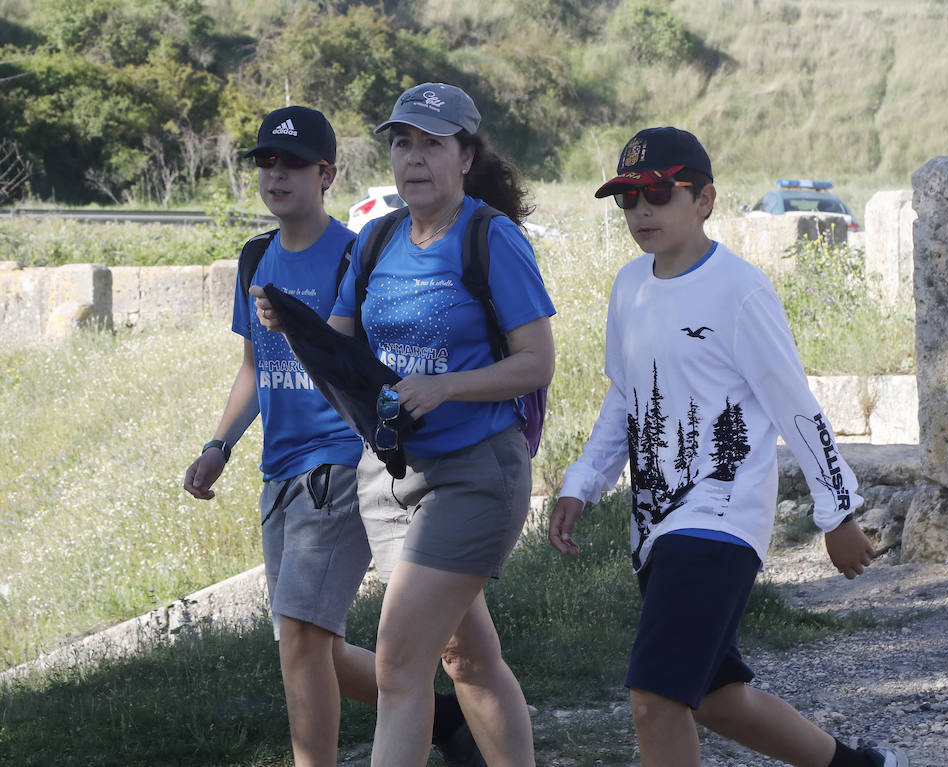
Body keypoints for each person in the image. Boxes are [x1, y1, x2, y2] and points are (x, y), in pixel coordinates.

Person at [547, 126, 907, 767]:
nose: (642, 211)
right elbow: (624, 396)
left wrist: (837, 513)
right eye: (628, 199)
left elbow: (793, 405)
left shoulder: (740, 291)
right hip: (657, 523)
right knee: (714, 696)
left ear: (705, 199)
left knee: (656, 698)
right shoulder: (629, 287)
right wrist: (581, 480)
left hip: (719, 520)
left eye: (660, 192)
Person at [255, 83, 554, 766]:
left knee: (398, 662)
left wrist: (447, 385)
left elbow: (537, 363)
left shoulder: (490, 237)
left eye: (431, 144)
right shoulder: (379, 239)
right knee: (466, 659)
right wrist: (291, 323)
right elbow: (341, 347)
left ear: (465, 156)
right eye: (401, 142)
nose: (413, 159)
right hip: (388, 480)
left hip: (475, 473)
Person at [185, 105, 483, 767]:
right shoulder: (255, 258)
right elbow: (252, 364)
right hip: (279, 472)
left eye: (294, 162)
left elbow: (374, 364)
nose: (277, 173)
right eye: (266, 160)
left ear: (327, 174)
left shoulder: (357, 255)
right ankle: (443, 717)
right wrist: (219, 445)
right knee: (308, 641)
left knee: (300, 633)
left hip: (341, 462)